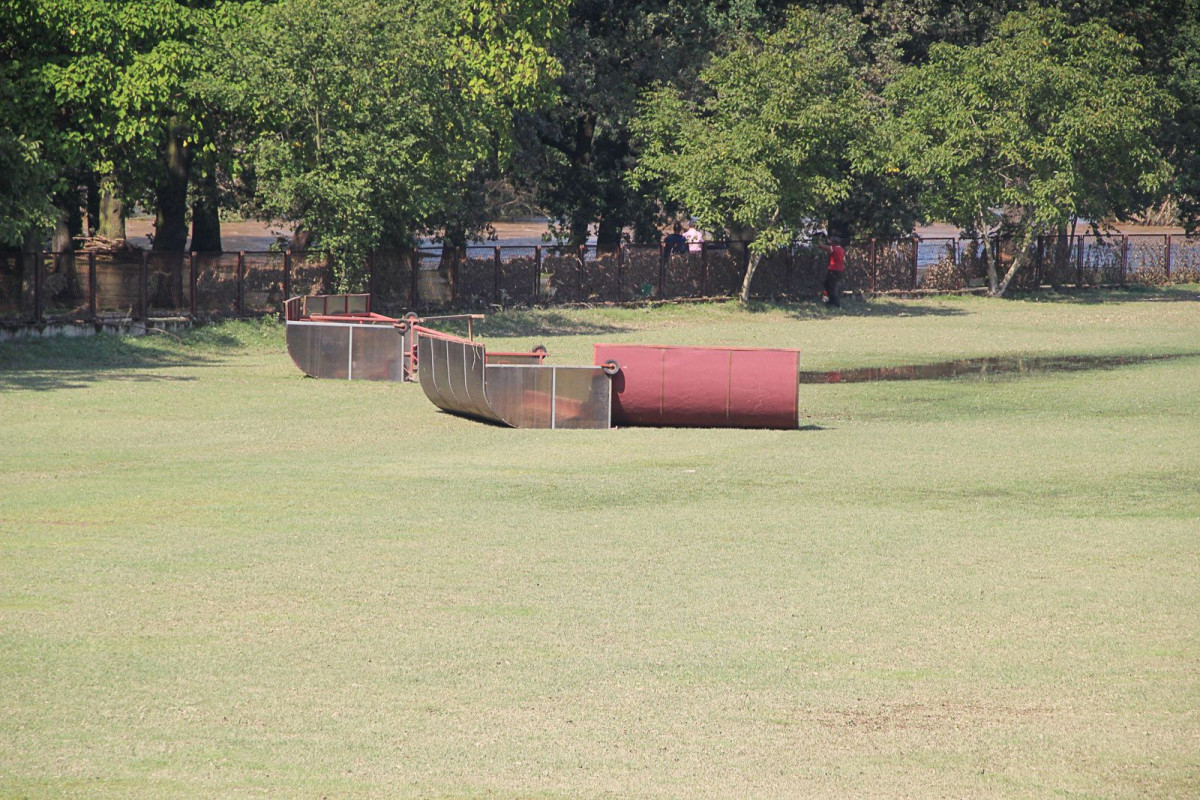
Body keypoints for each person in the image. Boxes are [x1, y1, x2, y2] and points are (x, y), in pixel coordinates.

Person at [818, 234, 845, 308]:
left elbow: (821, 246)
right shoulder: (841, 249)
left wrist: (819, 239)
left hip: (833, 270)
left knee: (831, 287)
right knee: (827, 284)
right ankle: (831, 301)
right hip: (839, 271)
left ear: (834, 242)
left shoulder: (833, 248)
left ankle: (837, 304)